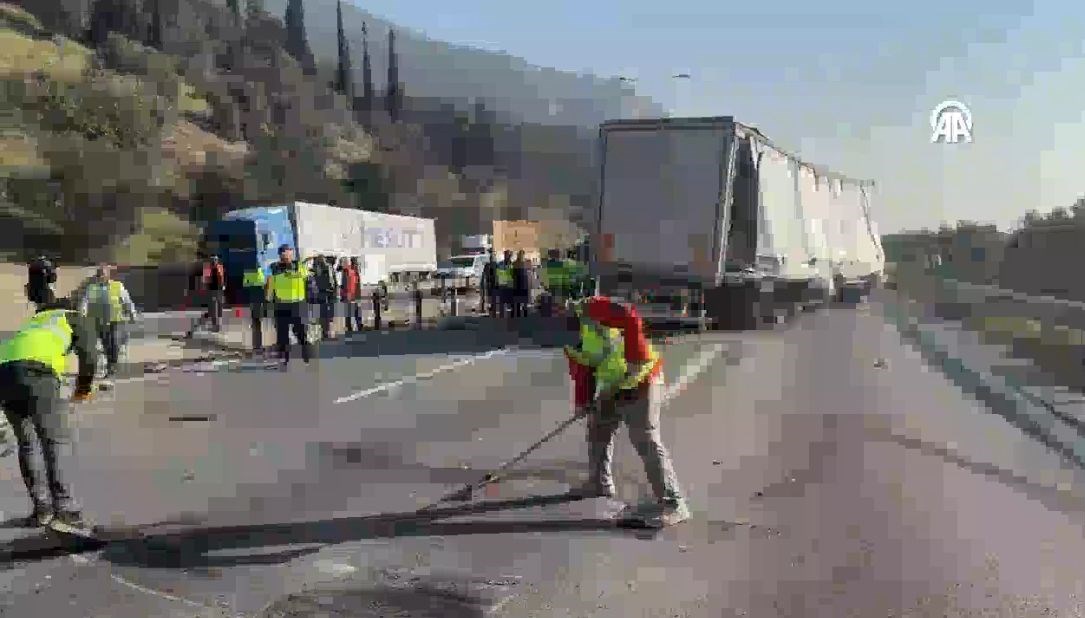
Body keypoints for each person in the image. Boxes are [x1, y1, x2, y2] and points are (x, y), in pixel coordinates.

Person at [563, 296, 689, 528]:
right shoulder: (568, 342)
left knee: (645, 438)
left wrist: (635, 358)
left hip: (641, 378)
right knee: (597, 426)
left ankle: (673, 503)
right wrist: (583, 404)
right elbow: (583, 371)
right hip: (615, 385)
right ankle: (599, 483)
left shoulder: (592, 308)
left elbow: (630, 316)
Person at [0, 297, 96, 530]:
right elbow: (89, 356)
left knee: (27, 443)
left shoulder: (35, 321)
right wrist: (83, 390)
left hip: (3, 372)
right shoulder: (73, 317)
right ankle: (65, 510)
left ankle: (42, 509)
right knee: (54, 442)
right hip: (37, 372)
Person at [77, 264, 139, 379]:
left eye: (103, 274)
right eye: (99, 274)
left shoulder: (117, 286)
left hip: (115, 320)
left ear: (108, 275)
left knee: (113, 344)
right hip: (97, 321)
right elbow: (85, 302)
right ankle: (108, 365)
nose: (100, 276)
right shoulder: (92, 288)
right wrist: (82, 314)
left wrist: (132, 314)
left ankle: (111, 368)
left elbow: (127, 301)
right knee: (104, 345)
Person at [267, 245, 316, 368]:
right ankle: (284, 358)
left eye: (289, 253)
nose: (286, 256)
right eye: (284, 254)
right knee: (282, 335)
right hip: (281, 304)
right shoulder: (274, 268)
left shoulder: (299, 266)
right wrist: (268, 301)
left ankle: (307, 357)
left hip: (298, 304)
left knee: (302, 332)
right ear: (280, 255)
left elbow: (309, 279)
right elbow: (269, 284)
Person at [185, 255, 226, 337]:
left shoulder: (219, 267)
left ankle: (214, 326)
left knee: (215, 310)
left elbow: (222, 279)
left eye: (215, 260)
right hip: (212, 292)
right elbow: (205, 281)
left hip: (218, 291)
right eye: (213, 260)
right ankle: (196, 329)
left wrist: (223, 286)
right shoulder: (208, 269)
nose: (214, 261)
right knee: (212, 311)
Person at [242, 262, 267, 354]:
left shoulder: (251, 272)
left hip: (256, 299)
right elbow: (262, 283)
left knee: (257, 321)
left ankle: (257, 345)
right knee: (257, 322)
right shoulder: (257, 271)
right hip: (256, 300)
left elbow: (245, 285)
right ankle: (257, 345)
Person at [338, 257, 363, 333]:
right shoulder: (349, 271)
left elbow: (352, 285)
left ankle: (354, 328)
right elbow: (346, 285)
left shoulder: (351, 271)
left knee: (352, 313)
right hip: (351, 296)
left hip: (351, 296)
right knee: (354, 313)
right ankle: (354, 328)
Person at [496, 250, 515, 318]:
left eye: (508, 255)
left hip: (510, 285)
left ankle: (511, 316)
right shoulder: (500, 264)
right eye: (506, 255)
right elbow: (498, 275)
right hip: (502, 284)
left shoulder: (512, 264)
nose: (507, 256)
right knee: (502, 302)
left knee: (510, 301)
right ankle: (502, 316)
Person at [512, 250, 530, 318]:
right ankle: (524, 314)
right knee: (523, 301)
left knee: (518, 301)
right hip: (523, 283)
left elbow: (512, 274)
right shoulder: (526, 263)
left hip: (518, 283)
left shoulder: (515, 263)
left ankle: (518, 314)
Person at [481, 249, 498, 317]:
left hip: (491, 282)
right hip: (491, 281)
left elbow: (484, 274)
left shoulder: (489, 265)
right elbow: (484, 274)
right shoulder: (491, 265)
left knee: (491, 294)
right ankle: (492, 306)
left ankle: (492, 306)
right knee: (491, 294)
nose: (492, 258)